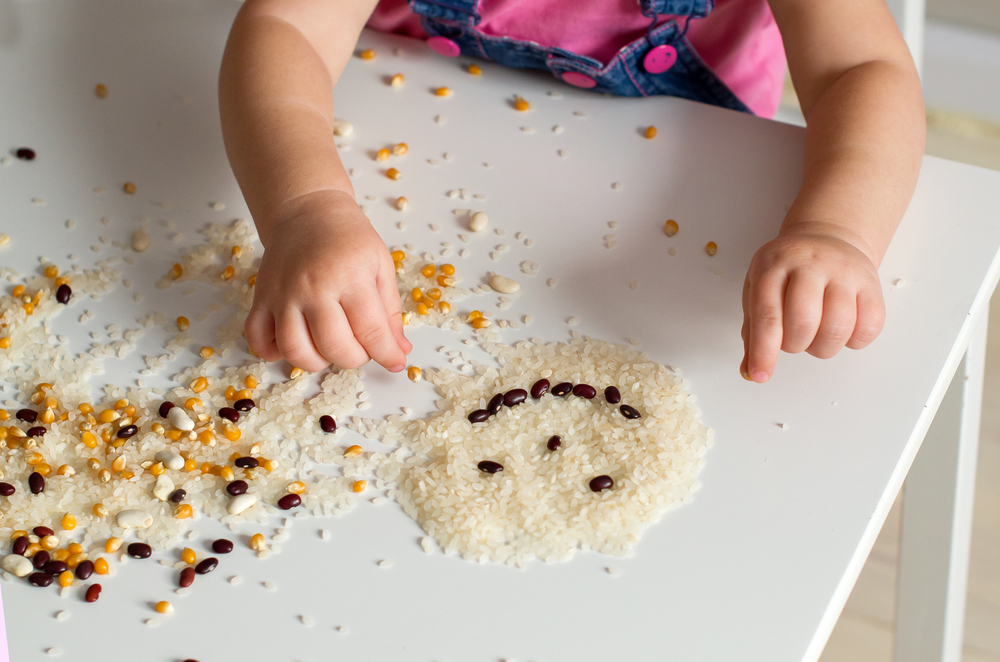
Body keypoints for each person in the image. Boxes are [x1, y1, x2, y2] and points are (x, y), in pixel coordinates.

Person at [218, 0, 925, 383]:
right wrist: (307, 206)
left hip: (697, 203)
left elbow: (860, 69)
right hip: (427, 127)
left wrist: (838, 231)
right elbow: (288, 27)